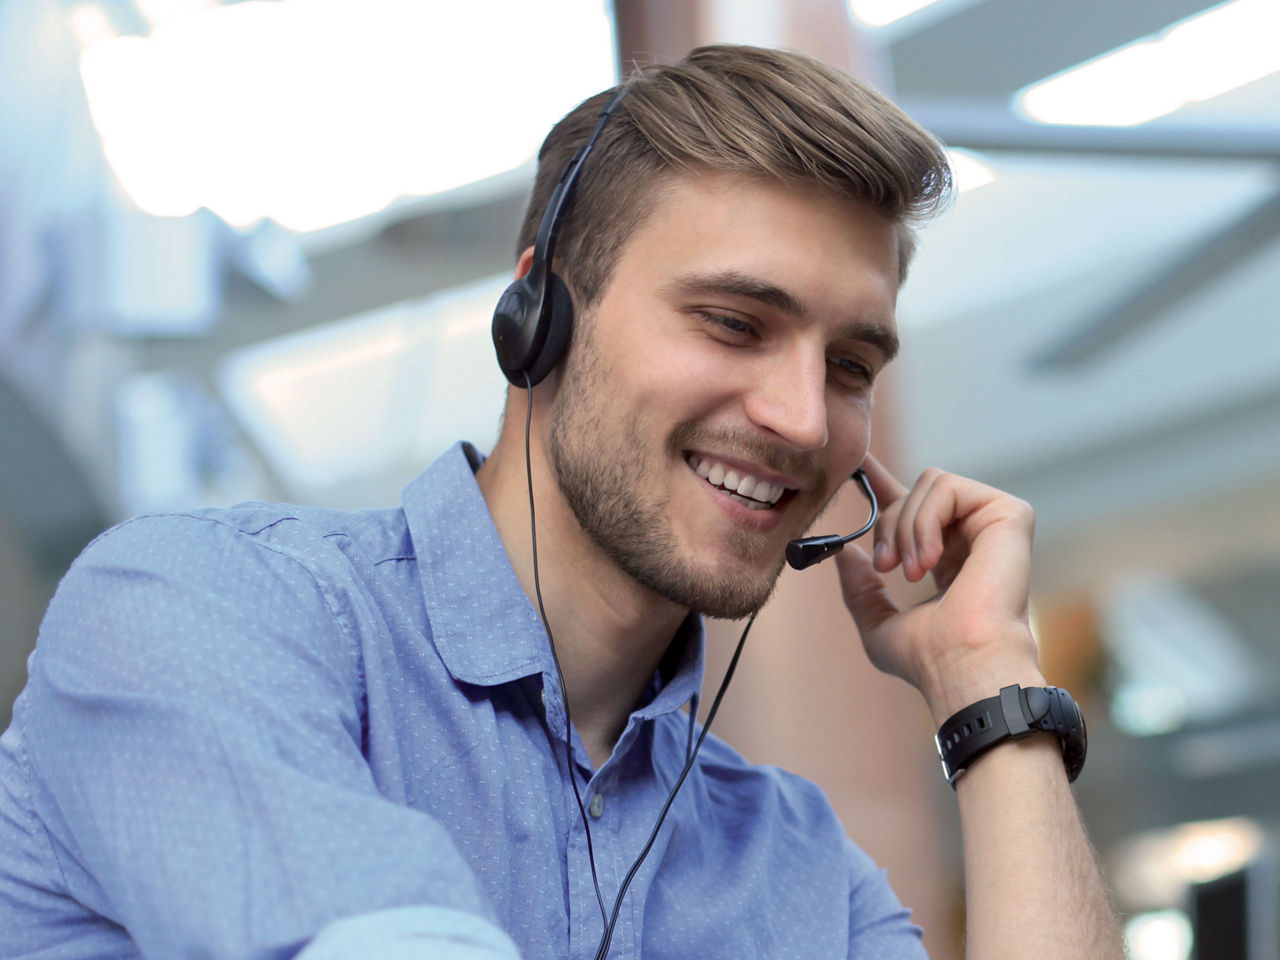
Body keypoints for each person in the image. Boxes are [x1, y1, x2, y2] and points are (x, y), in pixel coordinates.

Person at [0, 44, 1124, 959]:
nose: (798, 417)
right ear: (536, 312)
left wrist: (988, 680)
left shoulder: (796, 870)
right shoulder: (204, 609)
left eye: (849, 366)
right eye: (733, 323)